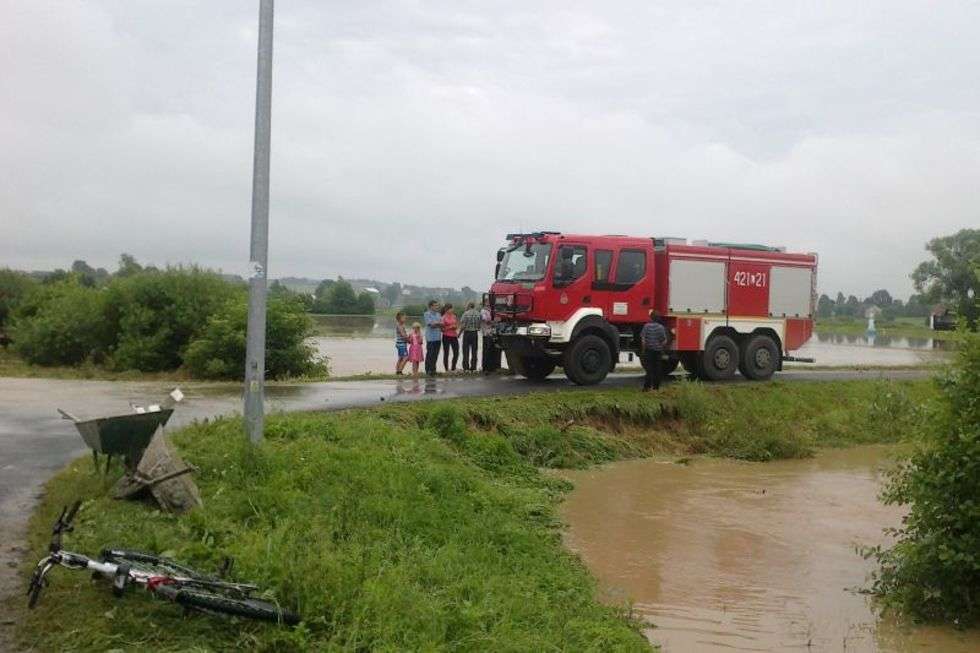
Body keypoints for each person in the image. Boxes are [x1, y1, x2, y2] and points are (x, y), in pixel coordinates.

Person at [640, 309, 668, 391]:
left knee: (649, 369)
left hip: (648, 350)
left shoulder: (646, 326)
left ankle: (646, 387)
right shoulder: (661, 328)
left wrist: (643, 349)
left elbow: (643, 340)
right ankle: (656, 387)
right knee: (657, 369)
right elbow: (664, 340)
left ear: (651, 317)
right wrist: (660, 346)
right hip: (657, 351)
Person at [459, 301, 481, 371]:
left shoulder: (465, 313)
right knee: (474, 351)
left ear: (468, 306)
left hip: (467, 333)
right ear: (474, 306)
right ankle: (473, 367)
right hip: (474, 333)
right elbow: (479, 326)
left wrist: (459, 334)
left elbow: (463, 325)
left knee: (466, 351)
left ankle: (466, 367)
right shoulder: (478, 313)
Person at [423, 300, 443, 376]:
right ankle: (428, 370)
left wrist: (436, 324)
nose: (437, 307)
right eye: (435, 305)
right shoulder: (427, 314)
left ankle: (433, 370)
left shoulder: (438, 314)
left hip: (438, 337)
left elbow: (441, 324)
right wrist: (438, 324)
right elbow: (430, 325)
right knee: (430, 354)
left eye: (437, 305)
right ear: (431, 306)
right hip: (430, 338)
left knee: (435, 354)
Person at [480, 298, 499, 373]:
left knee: (492, 350)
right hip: (486, 333)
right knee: (486, 351)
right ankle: (485, 368)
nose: (489, 303)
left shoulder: (492, 310)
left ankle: (492, 367)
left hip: (493, 333)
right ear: (484, 303)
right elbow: (486, 321)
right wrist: (494, 321)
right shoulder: (483, 311)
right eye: (487, 302)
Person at [441, 303, 460, 372]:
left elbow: (457, 325)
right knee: (446, 353)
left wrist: (456, 327)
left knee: (456, 352)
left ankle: (453, 368)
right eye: (451, 308)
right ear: (446, 309)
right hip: (446, 336)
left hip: (454, 336)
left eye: (452, 308)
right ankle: (446, 369)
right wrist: (450, 327)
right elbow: (442, 330)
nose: (452, 310)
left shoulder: (454, 316)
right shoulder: (443, 317)